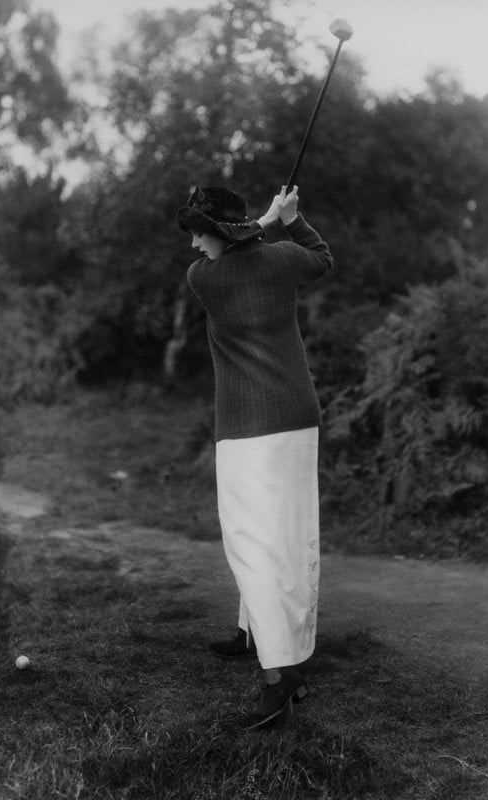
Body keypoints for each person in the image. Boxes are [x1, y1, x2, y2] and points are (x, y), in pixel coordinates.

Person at [176, 184, 334, 729]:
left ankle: (280, 676)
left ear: (221, 232)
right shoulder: (286, 260)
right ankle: (251, 633)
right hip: (297, 416)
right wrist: (289, 219)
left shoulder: (206, 280)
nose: (195, 243)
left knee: (251, 542)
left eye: (200, 230)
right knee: (279, 534)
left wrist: (267, 218)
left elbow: (240, 249)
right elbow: (321, 257)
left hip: (248, 429)